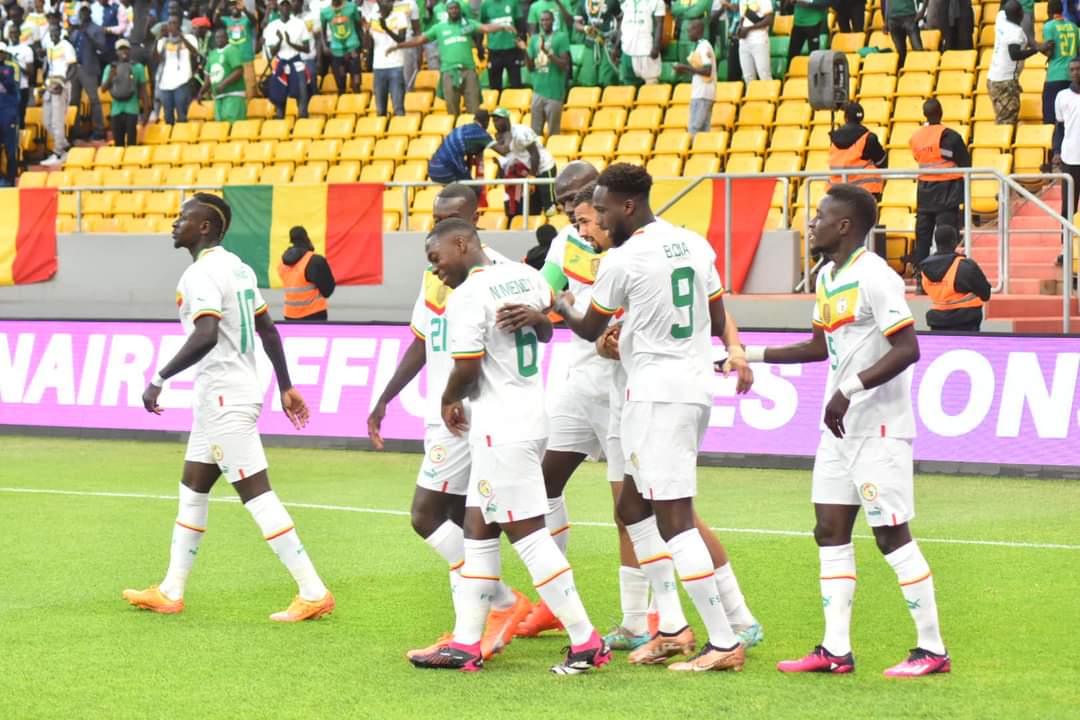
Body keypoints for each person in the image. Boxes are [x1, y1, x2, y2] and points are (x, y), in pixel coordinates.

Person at [551, 163, 749, 672]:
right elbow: (717, 313)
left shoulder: (624, 258)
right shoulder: (694, 243)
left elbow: (588, 327)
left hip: (659, 396)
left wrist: (562, 303)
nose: (599, 218)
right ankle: (673, 628)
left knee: (674, 519)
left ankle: (723, 640)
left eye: (603, 209)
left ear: (628, 206)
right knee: (633, 507)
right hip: (689, 388)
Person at [748, 184, 950, 678]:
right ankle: (835, 649)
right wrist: (748, 355)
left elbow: (908, 349)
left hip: (879, 428)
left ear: (844, 226)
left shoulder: (876, 276)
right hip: (838, 431)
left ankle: (932, 649)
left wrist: (850, 388)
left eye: (819, 215)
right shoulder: (826, 276)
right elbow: (818, 347)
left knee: (891, 536)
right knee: (829, 530)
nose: (811, 222)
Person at [408, 216, 612, 675]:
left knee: (530, 536)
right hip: (525, 418)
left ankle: (586, 640)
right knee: (477, 530)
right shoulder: (526, 276)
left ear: (462, 244)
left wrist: (448, 398)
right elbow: (547, 330)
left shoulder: (468, 296)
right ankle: (466, 644)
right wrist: (540, 318)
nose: (436, 269)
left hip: (502, 428)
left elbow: (466, 367)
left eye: (437, 258)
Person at [123, 193, 335, 623]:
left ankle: (313, 591)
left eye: (183, 217)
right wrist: (285, 385)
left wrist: (158, 378)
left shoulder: (201, 273)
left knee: (257, 495)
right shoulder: (238, 267)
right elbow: (267, 329)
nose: (175, 223)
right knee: (192, 491)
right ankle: (171, 590)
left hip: (224, 398)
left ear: (204, 227)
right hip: (224, 396)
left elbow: (205, 335)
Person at [368, 183, 531, 663]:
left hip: (469, 412)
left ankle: (502, 603)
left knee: (426, 515)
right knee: (464, 520)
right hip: (446, 410)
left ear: (472, 222)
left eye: (448, 219)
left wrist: (457, 395)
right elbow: (423, 340)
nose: (437, 227)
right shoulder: (436, 272)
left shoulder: (500, 274)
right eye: (435, 218)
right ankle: (472, 627)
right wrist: (385, 397)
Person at [388, 0, 510, 117]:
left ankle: (473, 129)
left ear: (460, 10)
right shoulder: (439, 28)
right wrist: (399, 45)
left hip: (468, 70)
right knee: (452, 109)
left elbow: (485, 28)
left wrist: (503, 26)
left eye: (456, 8)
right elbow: (420, 39)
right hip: (448, 71)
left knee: (474, 107)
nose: (454, 10)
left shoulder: (468, 24)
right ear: (447, 11)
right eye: (451, 8)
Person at [910, 98, 970, 274]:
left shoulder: (916, 137)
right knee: (946, 237)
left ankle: (921, 276)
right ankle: (947, 274)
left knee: (923, 237)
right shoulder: (950, 135)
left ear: (925, 114)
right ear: (941, 112)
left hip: (924, 192)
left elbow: (918, 157)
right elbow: (965, 161)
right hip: (947, 191)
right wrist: (946, 154)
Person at [918, 224, 991, 331]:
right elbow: (986, 294)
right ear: (954, 242)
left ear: (936, 242)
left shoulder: (924, 267)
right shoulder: (965, 265)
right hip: (966, 322)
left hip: (937, 321)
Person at [989, 1, 1050, 125]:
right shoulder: (1015, 32)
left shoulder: (1000, 18)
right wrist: (1036, 50)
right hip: (1005, 81)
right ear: (1021, 14)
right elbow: (1015, 55)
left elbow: (1003, 7)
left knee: (1004, 119)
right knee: (1007, 122)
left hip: (994, 78)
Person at [490, 107, 557, 217]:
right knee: (533, 207)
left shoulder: (520, 132)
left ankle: (553, 223)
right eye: (494, 121)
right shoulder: (501, 138)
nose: (495, 123)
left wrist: (532, 175)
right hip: (529, 172)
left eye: (498, 120)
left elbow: (535, 154)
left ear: (506, 119)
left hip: (543, 167)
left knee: (549, 205)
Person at [521, 10, 568, 137]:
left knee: (553, 133)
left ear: (553, 21)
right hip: (538, 91)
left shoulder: (561, 37)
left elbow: (564, 64)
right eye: (542, 20)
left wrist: (547, 52)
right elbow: (530, 68)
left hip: (554, 92)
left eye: (547, 19)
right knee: (535, 134)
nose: (544, 22)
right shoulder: (534, 39)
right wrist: (524, 51)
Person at [829, 102, 887, 199]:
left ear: (845, 118)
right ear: (862, 117)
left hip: (837, 191)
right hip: (864, 192)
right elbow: (882, 162)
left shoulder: (833, 139)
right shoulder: (868, 137)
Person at [264, 0, 312, 119]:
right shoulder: (272, 26)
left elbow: (307, 49)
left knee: (302, 100)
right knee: (280, 103)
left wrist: (291, 43)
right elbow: (272, 52)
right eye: (282, 5)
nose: (285, 7)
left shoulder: (300, 23)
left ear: (290, 7)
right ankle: (281, 127)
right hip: (281, 66)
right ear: (279, 8)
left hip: (297, 65)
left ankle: (303, 124)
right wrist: (280, 41)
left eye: (287, 4)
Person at [278, 226, 336, 321]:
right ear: (306, 238)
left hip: (289, 316)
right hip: (313, 315)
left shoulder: (282, 263)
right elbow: (328, 290)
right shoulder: (315, 261)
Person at [1043, 0, 1078, 157]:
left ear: (1049, 11)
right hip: (1071, 77)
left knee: (1051, 119)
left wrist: (1039, 49)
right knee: (1070, 119)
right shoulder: (1074, 27)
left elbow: (1049, 50)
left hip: (1054, 76)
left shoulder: (1049, 26)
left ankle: (1054, 155)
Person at [674, 18, 718, 138]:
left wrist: (685, 68)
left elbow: (707, 71)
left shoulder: (703, 47)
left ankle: (692, 149)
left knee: (694, 128)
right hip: (705, 93)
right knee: (704, 131)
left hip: (702, 94)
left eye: (690, 31)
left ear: (698, 30)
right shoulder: (702, 46)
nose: (688, 33)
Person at [364, 0, 408, 115]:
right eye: (386, 1)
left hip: (396, 65)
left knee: (398, 107)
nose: (389, 4)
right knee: (380, 110)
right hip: (378, 66)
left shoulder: (400, 15)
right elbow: (367, 45)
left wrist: (386, 28)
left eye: (390, 2)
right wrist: (366, 31)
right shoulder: (373, 17)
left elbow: (401, 39)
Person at [101, 38, 147, 147]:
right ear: (116, 52)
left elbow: (143, 91)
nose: (123, 52)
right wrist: (111, 76)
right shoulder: (109, 68)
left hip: (132, 109)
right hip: (116, 110)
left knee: (131, 143)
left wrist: (146, 112)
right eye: (120, 49)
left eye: (126, 49)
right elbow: (103, 89)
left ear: (129, 50)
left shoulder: (138, 67)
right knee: (118, 144)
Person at [40, 22, 75, 166]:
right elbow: (49, 67)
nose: (53, 34)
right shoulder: (49, 46)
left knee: (57, 121)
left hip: (61, 83)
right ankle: (65, 146)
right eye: (51, 31)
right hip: (50, 83)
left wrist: (63, 83)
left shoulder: (66, 46)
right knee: (46, 121)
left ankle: (58, 152)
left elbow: (73, 67)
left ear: (60, 32)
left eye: (56, 31)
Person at [427, 108, 493, 184]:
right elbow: (501, 150)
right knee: (472, 188)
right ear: (487, 122)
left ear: (474, 119)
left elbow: (467, 165)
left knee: (464, 185)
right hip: (445, 168)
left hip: (433, 168)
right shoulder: (480, 133)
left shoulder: (462, 129)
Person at [70, 5, 106, 140]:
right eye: (81, 14)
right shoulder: (77, 30)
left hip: (89, 68)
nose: (82, 17)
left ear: (89, 14)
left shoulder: (97, 29)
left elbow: (102, 48)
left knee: (94, 99)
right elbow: (71, 47)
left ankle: (99, 130)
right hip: (75, 69)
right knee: (74, 100)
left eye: (84, 14)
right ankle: (75, 130)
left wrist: (88, 36)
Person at [154, 14, 198, 124]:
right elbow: (156, 59)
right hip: (165, 83)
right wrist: (157, 39)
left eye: (174, 23)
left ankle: (182, 134)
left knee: (182, 115)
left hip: (182, 81)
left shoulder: (189, 38)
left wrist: (181, 37)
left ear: (180, 25)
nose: (171, 25)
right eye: (169, 23)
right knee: (168, 116)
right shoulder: (163, 41)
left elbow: (195, 53)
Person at [200, 28, 246, 122]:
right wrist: (201, 93)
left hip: (233, 95)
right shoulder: (213, 54)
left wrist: (223, 84)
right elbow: (208, 77)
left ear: (227, 38)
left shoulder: (232, 50)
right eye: (217, 38)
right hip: (218, 96)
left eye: (221, 37)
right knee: (221, 126)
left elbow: (238, 71)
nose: (219, 40)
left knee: (233, 124)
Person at [1054, 58, 1080, 221]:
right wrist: (1056, 151)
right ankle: (1066, 237)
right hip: (1070, 158)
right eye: (1072, 69)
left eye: (1078, 69)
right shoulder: (1062, 96)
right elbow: (1060, 128)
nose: (1076, 72)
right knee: (1068, 207)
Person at [218, 0, 258, 99]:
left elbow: (254, 21)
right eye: (231, 5)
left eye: (236, 4)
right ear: (228, 8)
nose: (234, 7)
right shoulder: (226, 20)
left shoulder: (246, 19)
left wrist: (245, 10)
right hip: (232, 61)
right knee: (234, 89)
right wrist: (219, 9)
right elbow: (215, 21)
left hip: (246, 59)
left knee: (250, 90)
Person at [479, 0, 522, 92]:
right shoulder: (485, 5)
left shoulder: (513, 2)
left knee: (516, 84)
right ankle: (497, 101)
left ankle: (514, 101)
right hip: (494, 49)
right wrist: (479, 46)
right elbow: (480, 26)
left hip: (512, 48)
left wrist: (521, 44)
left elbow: (520, 24)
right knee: (495, 86)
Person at [618, 0, 664, 85]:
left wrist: (656, 46)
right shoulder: (625, 2)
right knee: (629, 86)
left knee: (651, 85)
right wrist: (616, 46)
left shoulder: (656, 2)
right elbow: (622, 23)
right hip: (627, 50)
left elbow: (659, 24)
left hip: (646, 50)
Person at [573, 0, 618, 87]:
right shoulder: (583, 2)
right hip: (590, 44)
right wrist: (585, 28)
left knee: (607, 79)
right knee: (588, 79)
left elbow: (620, 18)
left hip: (607, 45)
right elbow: (576, 24)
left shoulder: (611, 1)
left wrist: (617, 39)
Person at [320, 0, 361, 93]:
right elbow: (322, 31)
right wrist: (325, 46)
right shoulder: (325, 12)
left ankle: (357, 99)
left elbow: (358, 26)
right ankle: (343, 99)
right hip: (337, 52)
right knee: (341, 83)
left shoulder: (352, 7)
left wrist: (360, 46)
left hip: (353, 49)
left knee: (356, 82)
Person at [5, 25, 32, 129]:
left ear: (20, 34)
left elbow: (30, 72)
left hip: (22, 87)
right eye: (11, 33)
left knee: (20, 117)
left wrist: (16, 64)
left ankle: (20, 137)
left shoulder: (26, 49)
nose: (14, 35)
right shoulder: (6, 50)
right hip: (8, 89)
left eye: (15, 32)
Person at [885, 0, 924, 69]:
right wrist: (885, 21)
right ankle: (903, 74)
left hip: (909, 16)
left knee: (918, 50)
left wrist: (922, 12)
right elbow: (885, 2)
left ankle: (921, 71)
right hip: (893, 19)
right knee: (900, 53)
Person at [0, 43, 18, 186]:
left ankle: (11, 179)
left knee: (10, 147)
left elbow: (10, 83)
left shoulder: (10, 68)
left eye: (1, 52)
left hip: (8, 112)